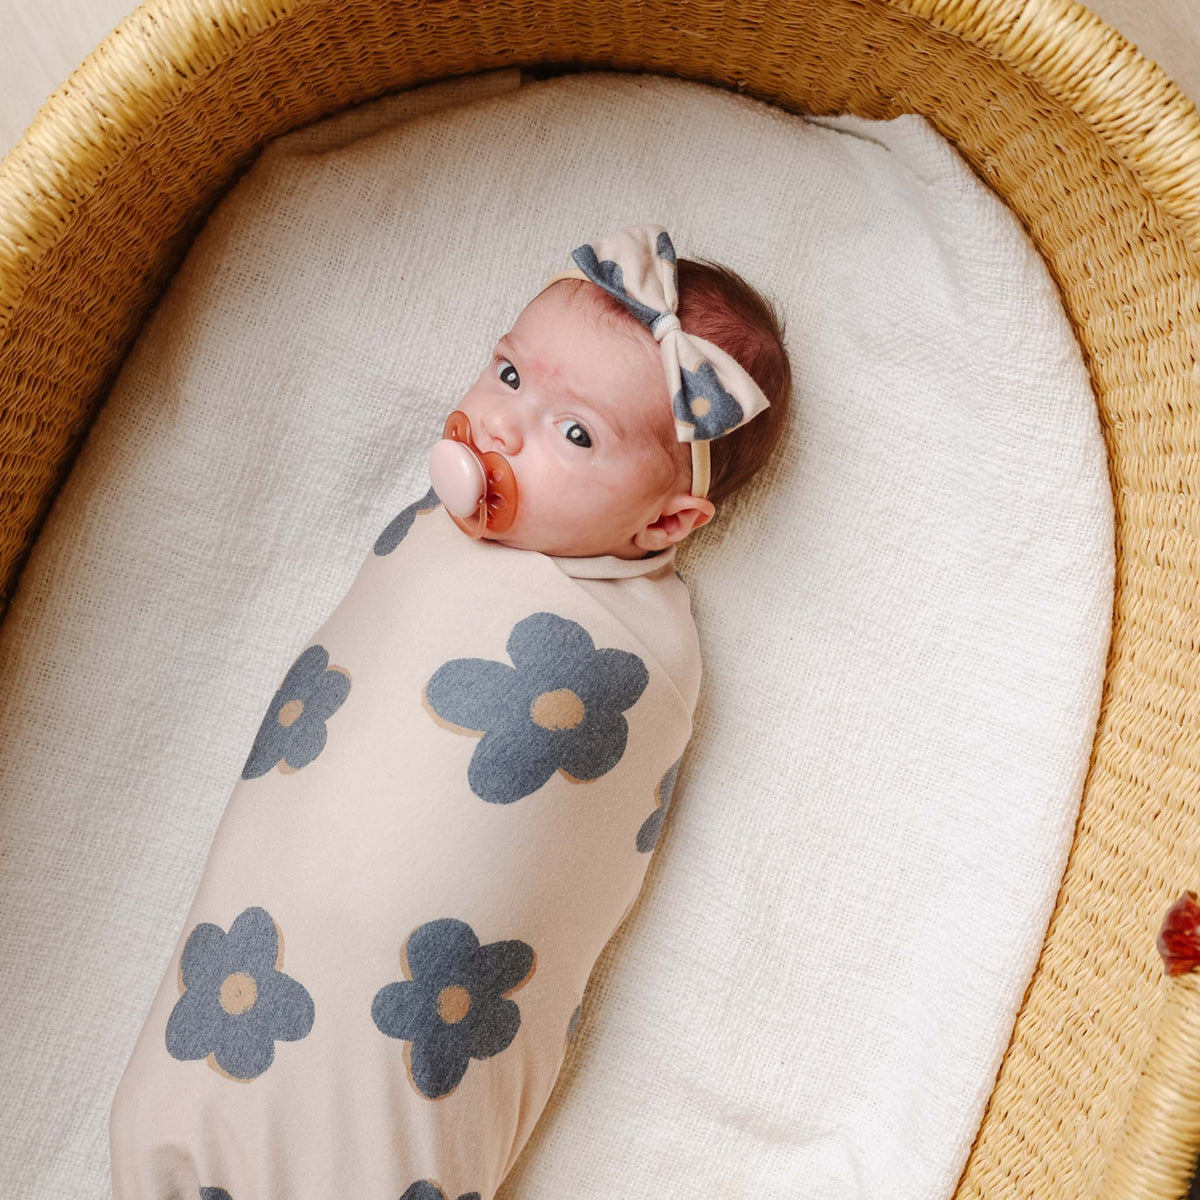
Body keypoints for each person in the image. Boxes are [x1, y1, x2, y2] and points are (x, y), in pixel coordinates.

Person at [108, 224, 792, 1200]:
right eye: (508, 375)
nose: (502, 427)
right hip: (242, 989)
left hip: (417, 1044)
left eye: (577, 433)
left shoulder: (635, 644)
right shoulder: (435, 533)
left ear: (664, 523)